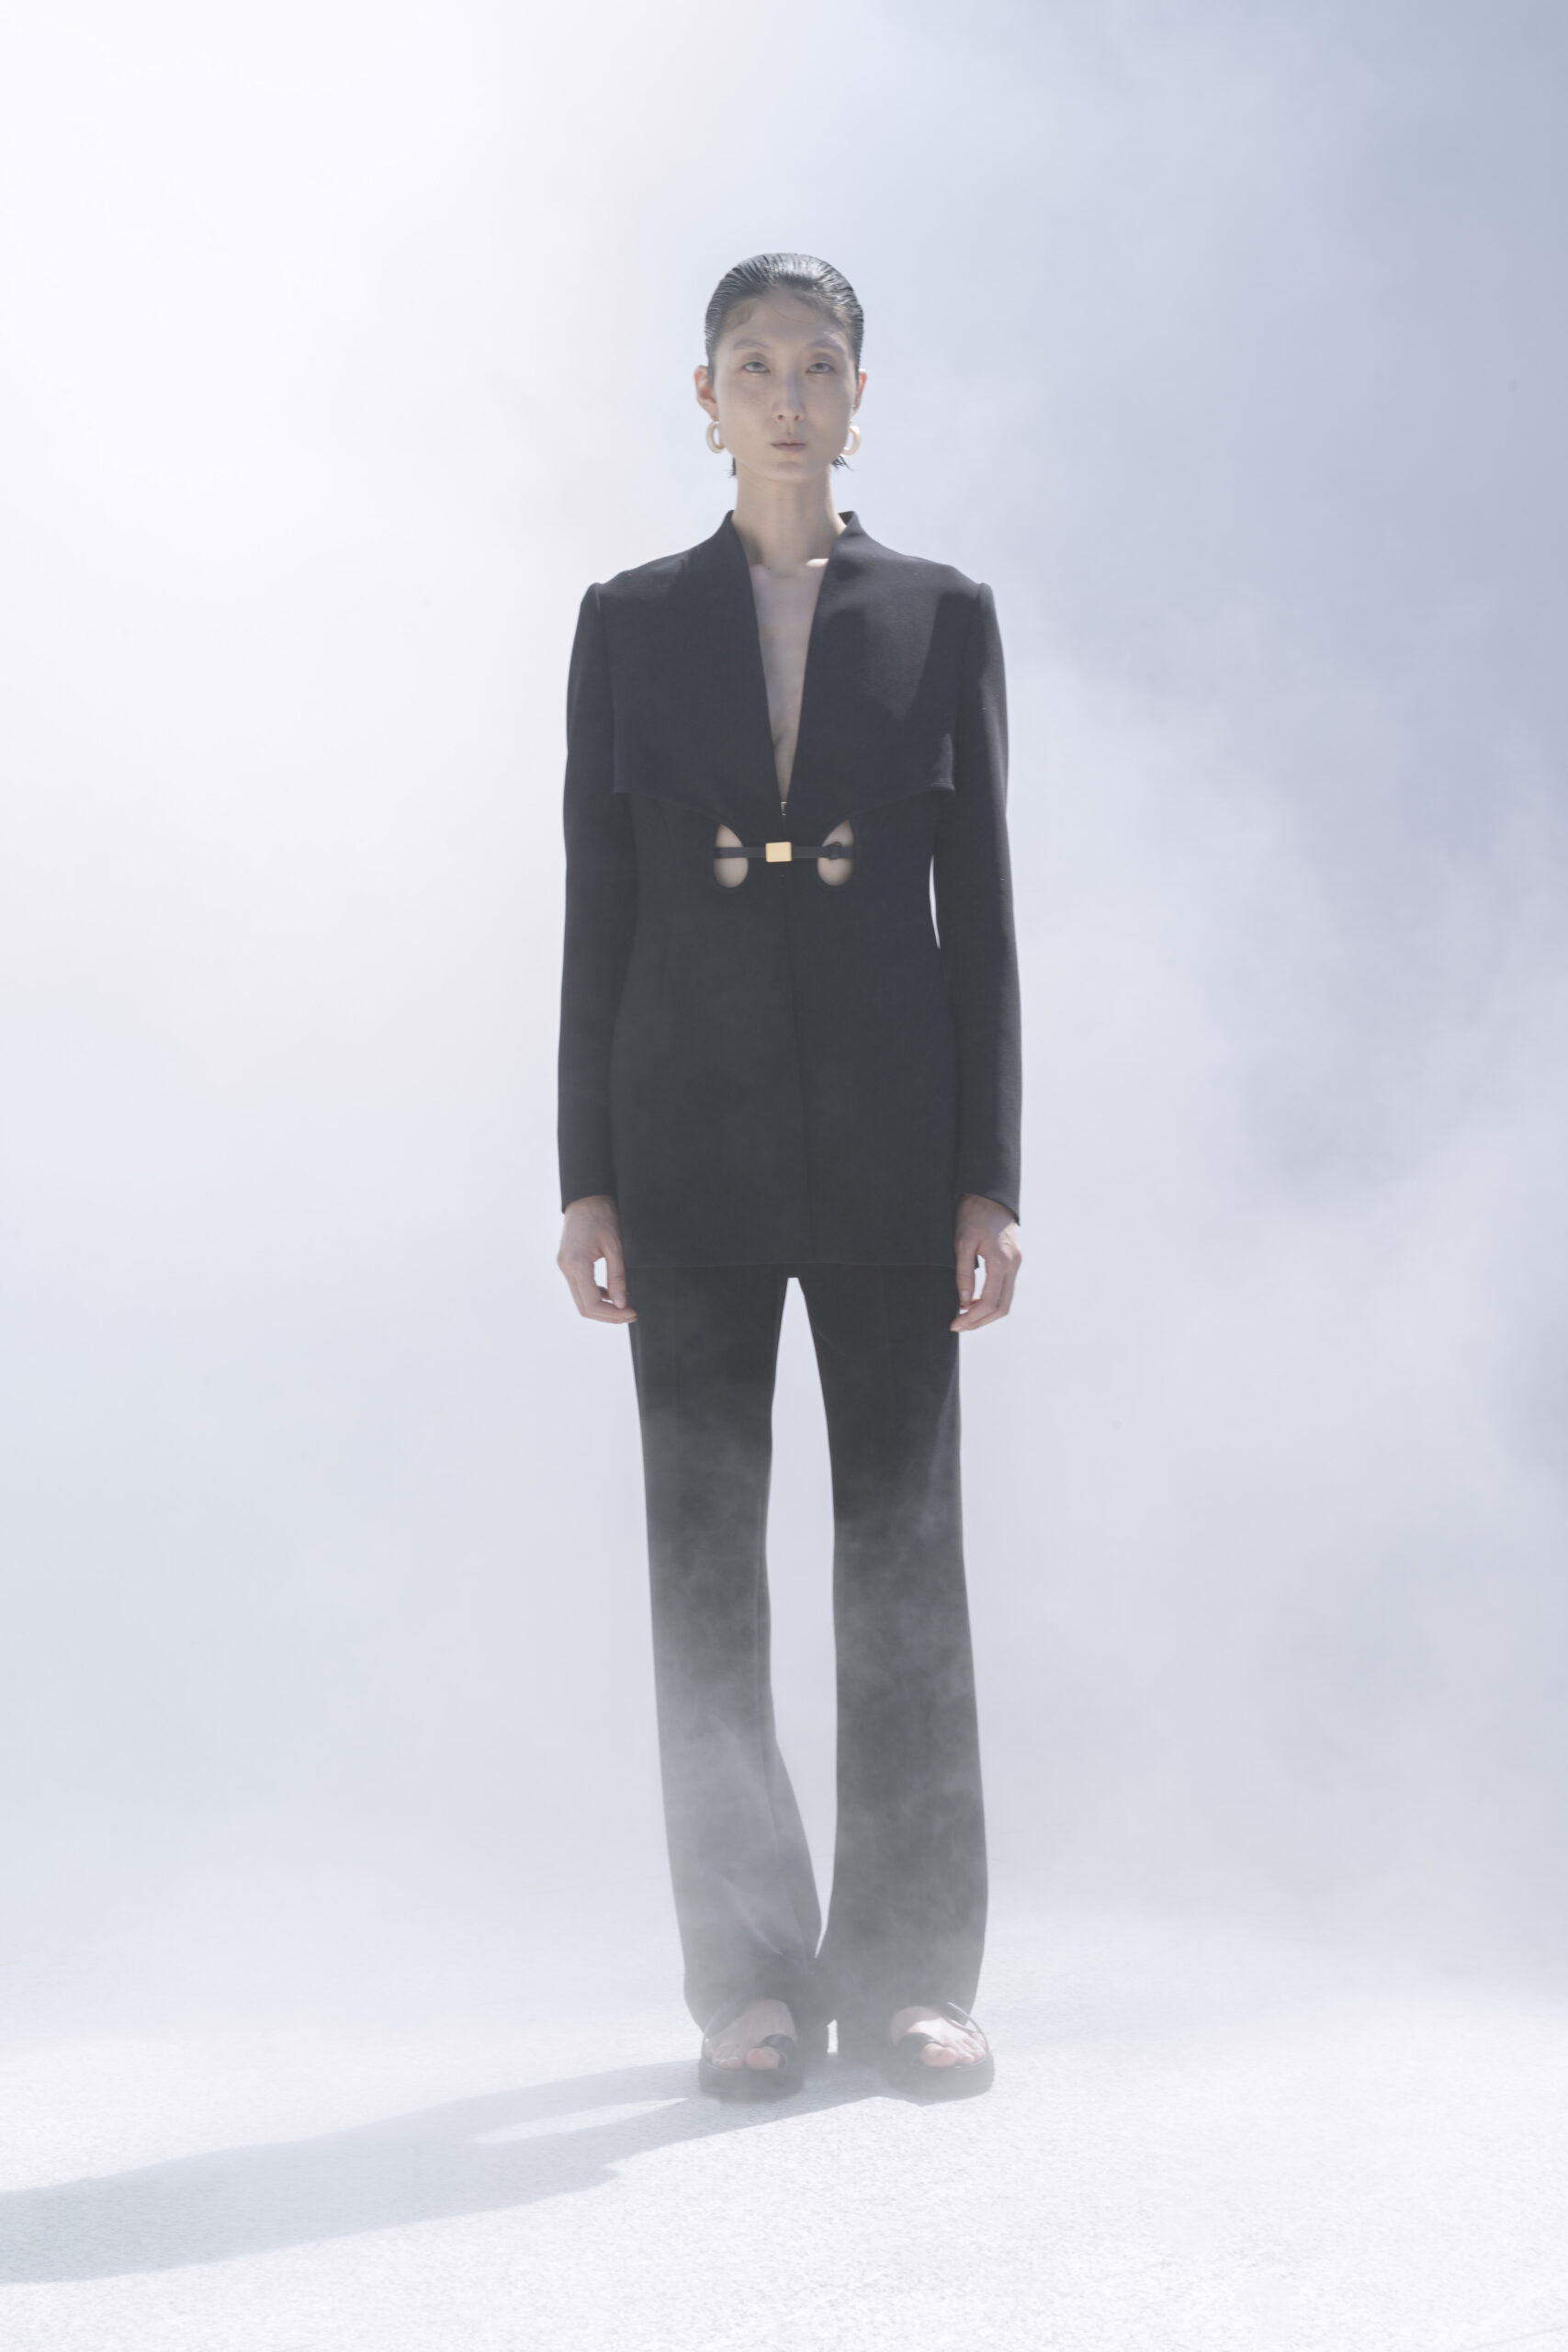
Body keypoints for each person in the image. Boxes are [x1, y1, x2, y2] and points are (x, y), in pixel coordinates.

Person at [555, 253, 1021, 2103]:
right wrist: (585, 1176)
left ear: (857, 395)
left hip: (897, 1143)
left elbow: (981, 917)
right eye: (751, 364)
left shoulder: (941, 614)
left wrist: (988, 1175)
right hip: (684, 1137)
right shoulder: (626, 620)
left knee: (905, 1556)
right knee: (703, 1571)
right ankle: (747, 1978)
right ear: (704, 397)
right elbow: (597, 908)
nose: (785, 394)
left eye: (817, 363)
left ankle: (909, 1970)